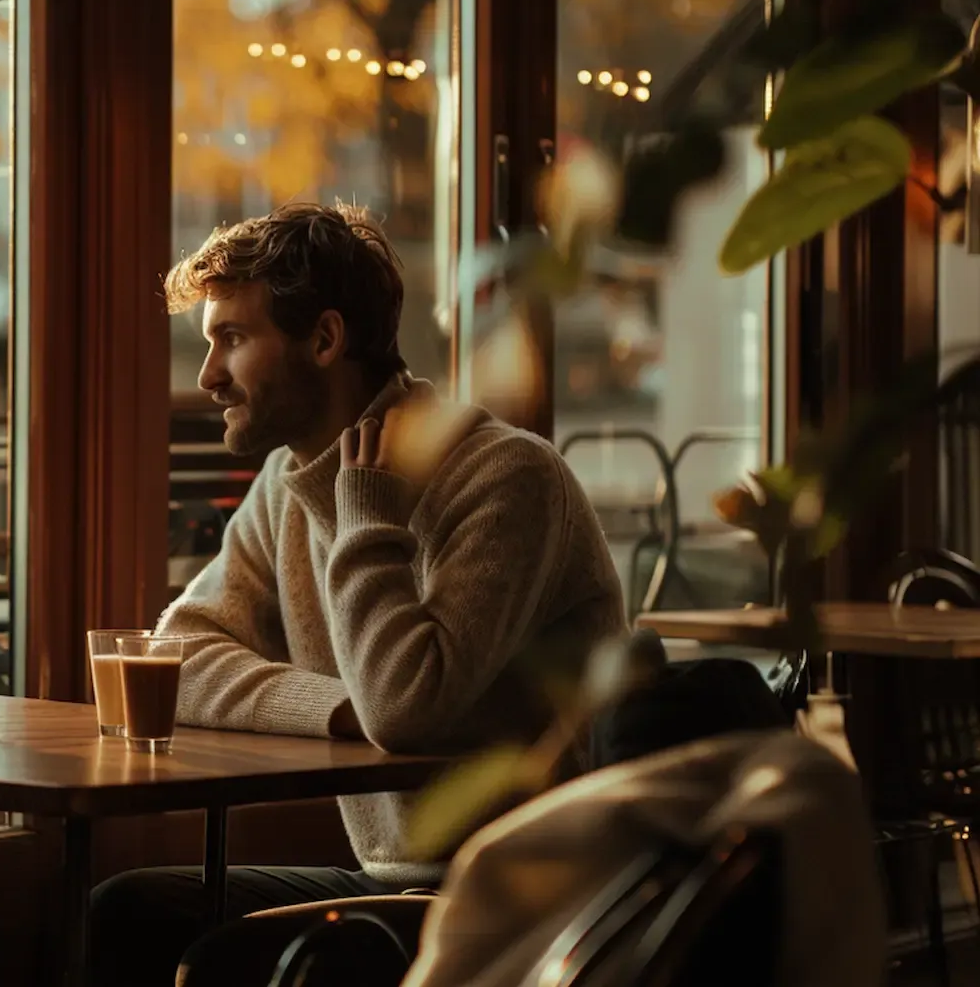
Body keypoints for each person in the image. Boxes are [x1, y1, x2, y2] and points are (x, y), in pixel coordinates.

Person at [88, 202, 627, 986]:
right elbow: (179, 654)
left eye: (232, 339)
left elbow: (405, 707)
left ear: (325, 339)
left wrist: (367, 520)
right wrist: (338, 707)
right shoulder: (288, 482)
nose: (208, 376)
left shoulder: (507, 477)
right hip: (395, 882)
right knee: (129, 909)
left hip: (526, 901)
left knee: (220, 961)